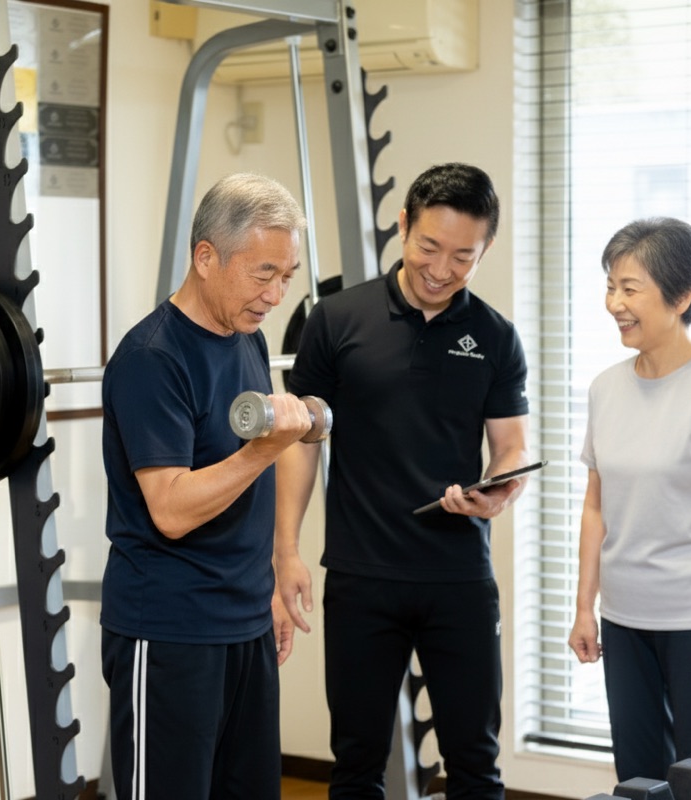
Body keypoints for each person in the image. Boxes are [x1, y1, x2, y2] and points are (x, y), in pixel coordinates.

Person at [275, 163, 531, 799]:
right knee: (357, 764)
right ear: (403, 226)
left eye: (464, 256)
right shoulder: (334, 320)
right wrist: (285, 551)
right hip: (363, 577)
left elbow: (510, 448)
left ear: (486, 249)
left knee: (476, 761)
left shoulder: (496, 337)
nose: (442, 269)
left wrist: (495, 491)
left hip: (459, 582)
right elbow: (301, 443)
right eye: (428, 247)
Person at [100, 173, 309, 800]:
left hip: (243, 623)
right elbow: (170, 508)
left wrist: (275, 569)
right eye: (263, 273)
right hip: (167, 630)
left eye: (287, 277)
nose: (274, 295)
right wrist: (265, 447)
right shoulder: (151, 358)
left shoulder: (250, 337)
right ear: (206, 257)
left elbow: (252, 483)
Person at [566, 217, 691, 782]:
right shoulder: (606, 387)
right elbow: (596, 507)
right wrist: (586, 606)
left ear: (682, 296)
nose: (615, 303)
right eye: (611, 286)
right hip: (626, 621)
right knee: (637, 779)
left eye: (631, 288)